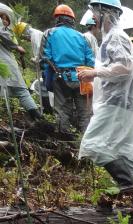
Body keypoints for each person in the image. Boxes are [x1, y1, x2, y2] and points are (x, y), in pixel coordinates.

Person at [78, 0, 133, 204]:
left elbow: (125, 68)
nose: (93, 16)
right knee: (126, 152)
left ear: (107, 13)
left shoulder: (116, 37)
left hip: (116, 103)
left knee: (92, 144)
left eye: (96, 12)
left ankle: (126, 185)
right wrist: (94, 80)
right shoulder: (110, 38)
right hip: (118, 102)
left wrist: (94, 73)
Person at [40, 5, 95, 133]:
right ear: (72, 20)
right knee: (85, 114)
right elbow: (90, 60)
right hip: (82, 77)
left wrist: (47, 76)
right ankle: (86, 143)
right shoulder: (82, 37)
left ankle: (64, 142)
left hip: (60, 77)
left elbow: (45, 58)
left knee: (62, 112)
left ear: (58, 19)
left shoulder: (49, 33)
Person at [0, 5, 42, 121]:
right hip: (5, 63)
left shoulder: (7, 32)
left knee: (20, 90)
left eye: (6, 19)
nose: (4, 21)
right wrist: (17, 47)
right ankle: (38, 119)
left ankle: (38, 120)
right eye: (1, 18)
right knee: (21, 90)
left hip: (7, 62)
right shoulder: (3, 31)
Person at [12, 20, 51, 113]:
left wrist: (36, 60)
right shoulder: (36, 34)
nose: (26, 40)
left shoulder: (36, 36)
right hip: (47, 67)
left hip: (49, 67)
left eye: (24, 38)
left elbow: (42, 54)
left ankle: (49, 110)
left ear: (24, 34)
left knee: (45, 88)